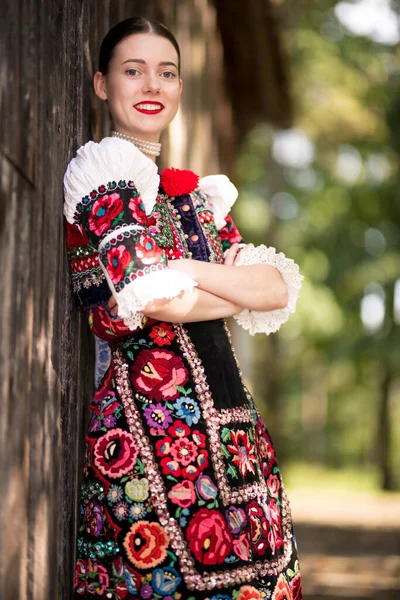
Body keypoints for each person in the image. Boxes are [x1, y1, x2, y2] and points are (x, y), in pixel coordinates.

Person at [63, 16, 305, 600]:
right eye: (133, 70)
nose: (152, 85)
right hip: (149, 442)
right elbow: (155, 297)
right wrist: (215, 286)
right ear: (102, 84)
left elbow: (275, 289)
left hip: (235, 440)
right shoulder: (101, 174)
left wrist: (190, 269)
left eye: (166, 73)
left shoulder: (200, 196)